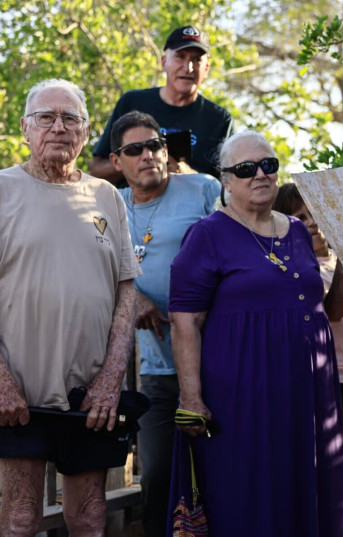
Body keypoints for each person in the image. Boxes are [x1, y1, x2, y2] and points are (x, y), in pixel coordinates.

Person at [168, 131, 343, 535]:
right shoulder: (207, 235)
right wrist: (192, 398)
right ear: (226, 180)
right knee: (245, 496)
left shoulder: (299, 233)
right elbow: (185, 322)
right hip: (240, 399)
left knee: (304, 488)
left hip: (308, 396)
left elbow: (323, 310)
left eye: (268, 165)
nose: (260, 175)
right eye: (246, 169)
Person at [0, 79, 140, 537]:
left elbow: (126, 291)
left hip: (91, 399)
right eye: (46, 117)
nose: (58, 127)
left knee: (91, 518)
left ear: (85, 132)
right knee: (20, 519)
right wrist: (0, 382)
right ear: (25, 128)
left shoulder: (107, 197)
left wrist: (111, 379)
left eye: (71, 119)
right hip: (17, 397)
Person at [108, 110, 221, 537]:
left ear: (166, 149)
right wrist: (134, 295)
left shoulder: (203, 190)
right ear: (117, 161)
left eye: (154, 145)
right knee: (155, 476)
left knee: (218, 472)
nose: (147, 156)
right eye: (134, 150)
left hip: (215, 363)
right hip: (156, 369)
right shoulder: (111, 203)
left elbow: (233, 252)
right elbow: (96, 266)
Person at [274, 183, 343, 531]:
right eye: (299, 217)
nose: (311, 223)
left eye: (315, 214)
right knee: (333, 474)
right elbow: (335, 311)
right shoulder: (300, 268)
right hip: (331, 381)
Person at [90, 25, 234, 184]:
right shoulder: (132, 103)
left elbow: (230, 186)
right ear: (164, 62)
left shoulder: (219, 120)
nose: (188, 68)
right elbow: (96, 170)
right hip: (130, 206)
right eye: (180, 56)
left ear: (206, 68)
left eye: (197, 59)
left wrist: (184, 172)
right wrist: (136, 160)